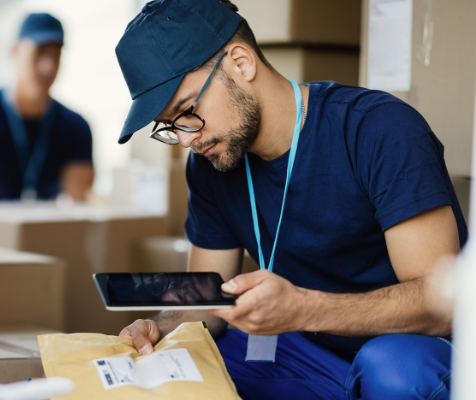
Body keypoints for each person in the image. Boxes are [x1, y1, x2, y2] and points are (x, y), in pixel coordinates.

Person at [115, 0, 465, 399]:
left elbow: (441, 301)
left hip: (412, 349)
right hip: (307, 350)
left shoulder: (378, 129)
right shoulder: (212, 164)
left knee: (396, 370)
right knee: (185, 361)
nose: (186, 140)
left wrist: (304, 309)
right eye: (168, 127)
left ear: (242, 63)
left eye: (187, 111)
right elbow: (205, 302)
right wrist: (160, 325)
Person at [0, 13, 94, 202]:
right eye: (40, 53)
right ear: (15, 52)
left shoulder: (75, 127)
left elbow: (78, 202)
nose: (48, 67)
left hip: (41, 229)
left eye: (56, 55)